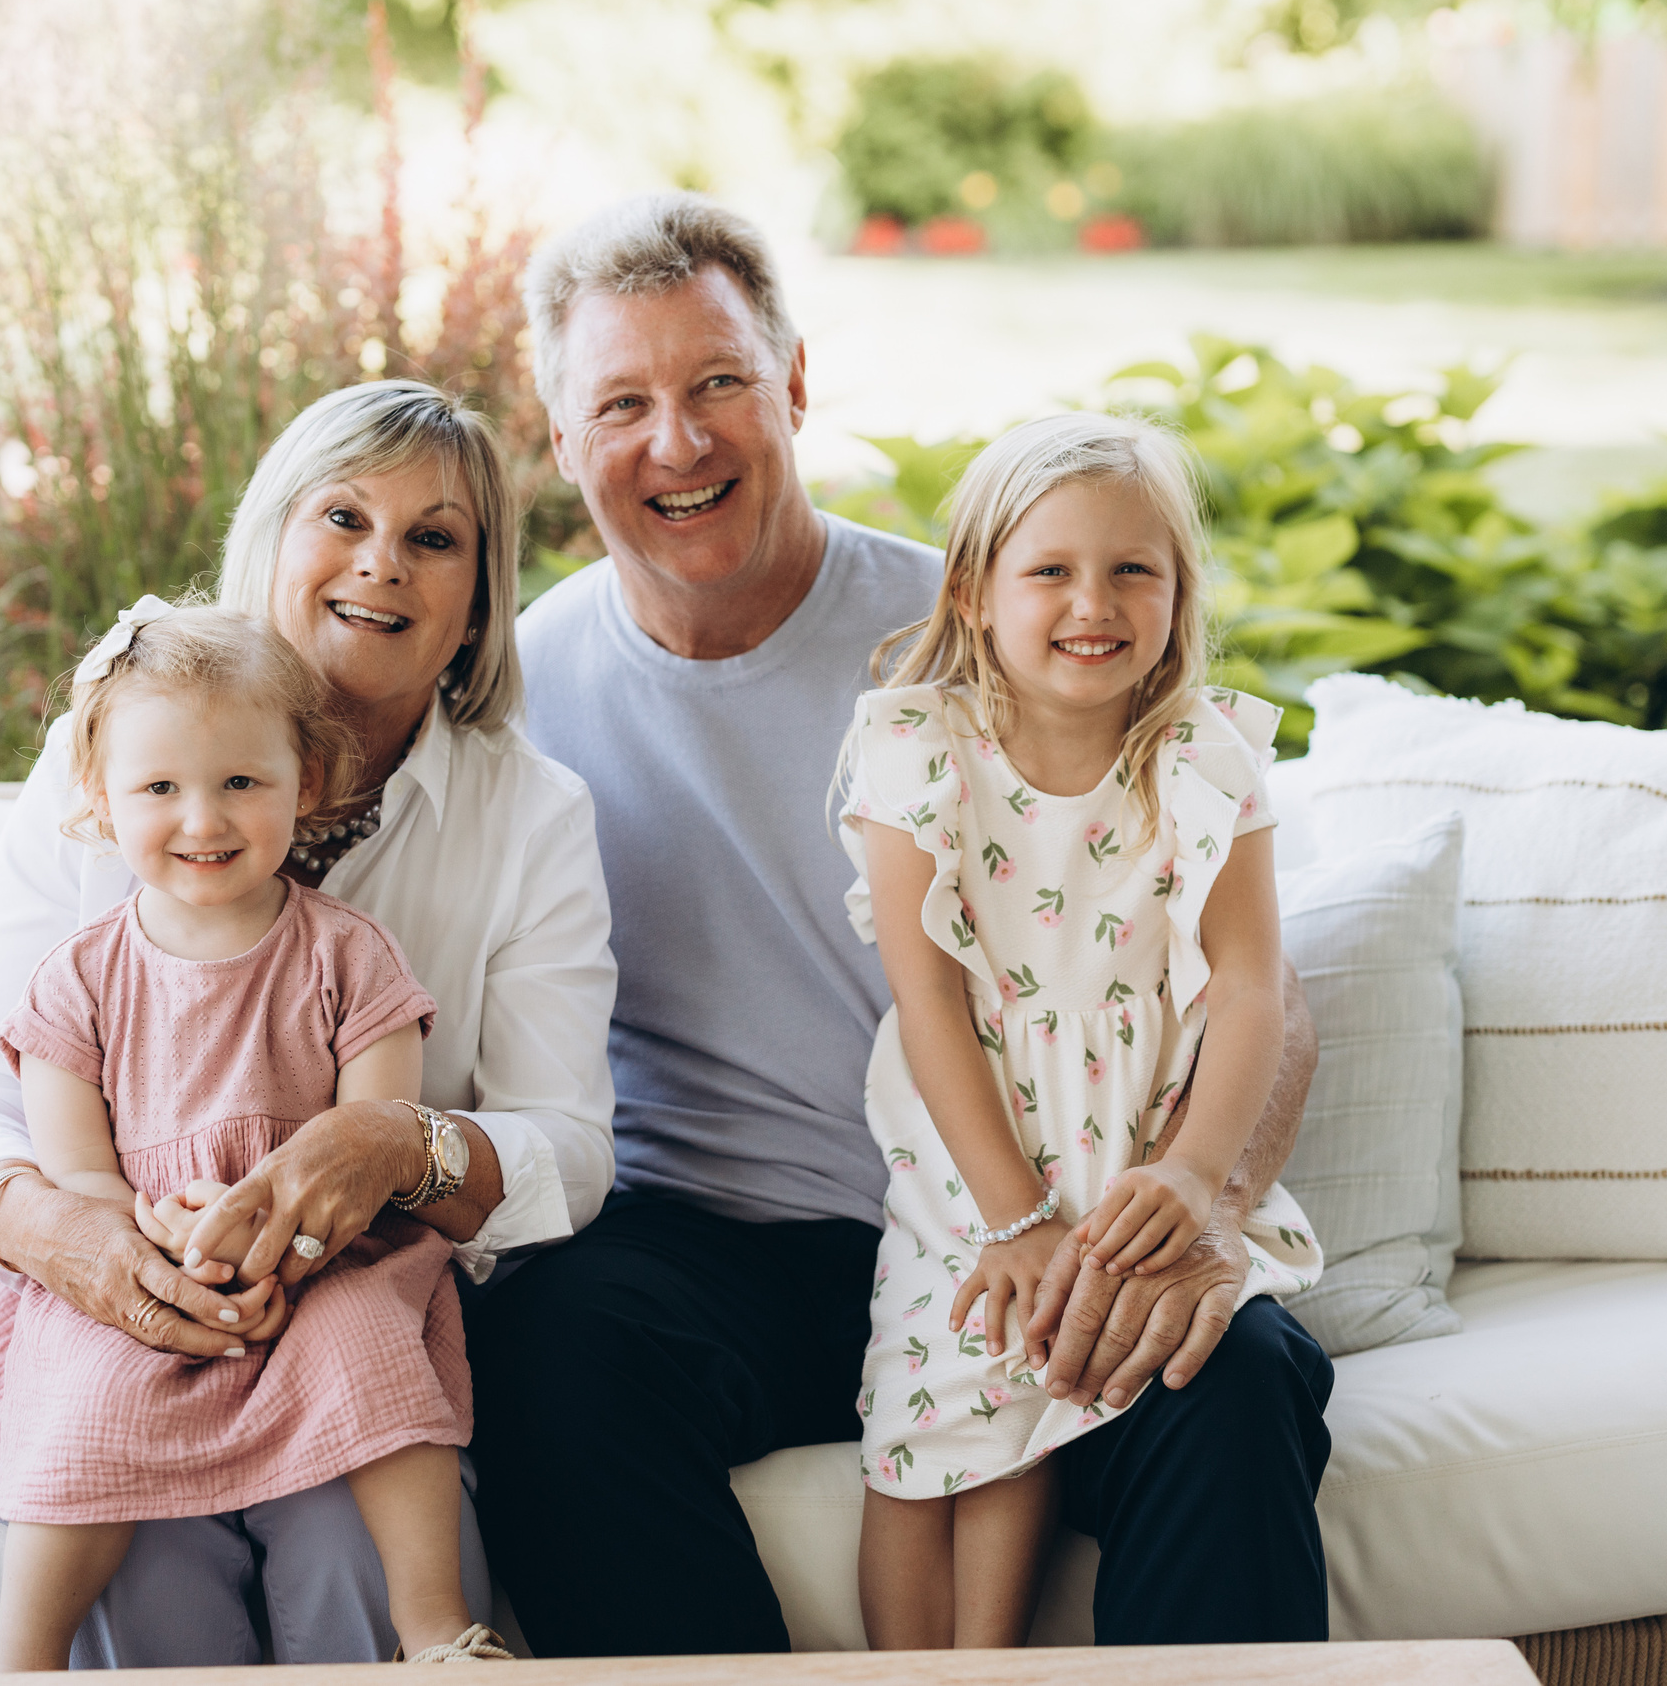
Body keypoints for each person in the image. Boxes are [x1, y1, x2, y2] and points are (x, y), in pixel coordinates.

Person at [481, 193, 1333, 1654]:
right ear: (560, 440)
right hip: (714, 1248)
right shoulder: (522, 688)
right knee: (556, 1349)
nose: (677, 443)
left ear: (796, 382)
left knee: (1236, 1371)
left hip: (1044, 1222)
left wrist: (1205, 1202)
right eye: (621, 403)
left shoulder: (985, 628)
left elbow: (1258, 989)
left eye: (720, 385)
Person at [0, 381, 618, 1667]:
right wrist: (72, 1228)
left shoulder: (533, 816)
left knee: (357, 1542)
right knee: (129, 1532)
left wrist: (402, 1148)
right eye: (341, 516)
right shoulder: (113, 751)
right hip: (135, 1274)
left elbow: (570, 1143)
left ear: (475, 603)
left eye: (434, 539)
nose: (380, 564)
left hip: (342, 1295)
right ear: (273, 540)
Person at [0, 603, 510, 1669]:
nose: (202, 817)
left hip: (321, 1249)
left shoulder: (350, 957)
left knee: (372, 1357)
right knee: (86, 1393)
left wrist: (272, 1230)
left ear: (308, 785)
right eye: (160, 789)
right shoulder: (78, 976)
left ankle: (433, 1624)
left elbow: (373, 1136)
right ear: (101, 804)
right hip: (141, 1257)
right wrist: (151, 1228)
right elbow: (74, 1170)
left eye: (240, 782)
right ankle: (21, 1661)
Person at [837, 413, 1322, 1649]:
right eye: (1049, 569)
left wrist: (1196, 1177)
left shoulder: (1203, 759)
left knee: (1035, 1417)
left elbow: (1251, 986)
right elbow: (928, 997)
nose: (1090, 603)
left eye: (1132, 571)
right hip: (974, 1178)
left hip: (1141, 1176)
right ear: (975, 590)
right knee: (932, 1429)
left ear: (1179, 592)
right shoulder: (917, 753)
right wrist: (1012, 1217)